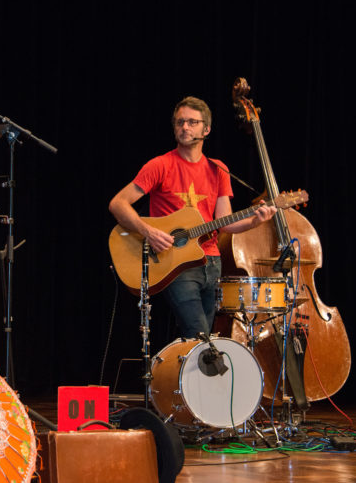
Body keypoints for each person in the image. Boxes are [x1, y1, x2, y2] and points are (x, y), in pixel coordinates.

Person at [109, 96, 276, 339]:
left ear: (206, 129)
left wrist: (255, 221)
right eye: (179, 123)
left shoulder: (217, 168)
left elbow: (225, 222)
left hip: (212, 262)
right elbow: (118, 204)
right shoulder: (160, 165)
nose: (184, 127)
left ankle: (182, 376)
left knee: (201, 338)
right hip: (176, 264)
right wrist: (149, 232)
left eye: (191, 122)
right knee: (200, 335)